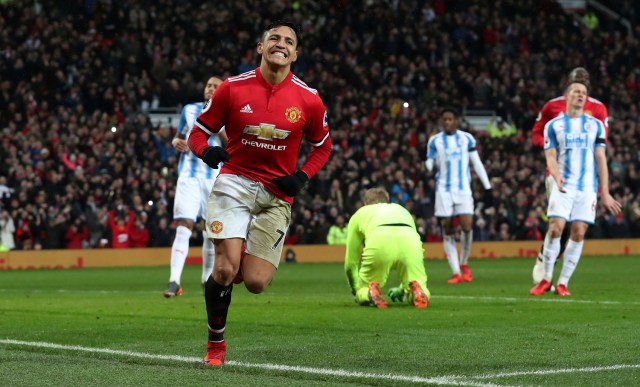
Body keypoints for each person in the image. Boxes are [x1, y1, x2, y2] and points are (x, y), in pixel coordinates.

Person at [188, 21, 331, 365]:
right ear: (261, 47)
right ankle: (216, 343)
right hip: (234, 184)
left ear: (295, 54)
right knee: (223, 270)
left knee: (255, 282)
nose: (281, 44)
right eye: (275, 39)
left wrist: (302, 176)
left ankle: (237, 263)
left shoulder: (309, 99)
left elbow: (323, 147)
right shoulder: (232, 89)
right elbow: (198, 133)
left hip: (277, 196)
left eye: (289, 42)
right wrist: (205, 151)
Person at [529, 81, 621, 296]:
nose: (580, 95)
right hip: (564, 186)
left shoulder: (595, 125)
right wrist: (556, 175)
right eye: (576, 92)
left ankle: (563, 283)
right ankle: (545, 279)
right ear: (567, 96)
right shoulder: (554, 125)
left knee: (578, 232)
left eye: (584, 93)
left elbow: (601, 159)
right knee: (555, 227)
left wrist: (605, 193)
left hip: (587, 188)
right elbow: (550, 156)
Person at [163, 76, 226, 298]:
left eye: (216, 87)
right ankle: (174, 281)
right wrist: (175, 143)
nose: (211, 89)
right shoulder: (189, 110)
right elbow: (179, 137)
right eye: (208, 85)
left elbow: (230, 144)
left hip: (214, 177)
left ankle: (205, 280)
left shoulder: (228, 113)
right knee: (184, 225)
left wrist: (218, 125)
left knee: (211, 230)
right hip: (188, 177)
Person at [425, 107, 491, 284]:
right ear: (441, 122)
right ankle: (455, 272)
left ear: (456, 121)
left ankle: (464, 263)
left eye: (450, 119)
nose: (447, 122)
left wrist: (487, 185)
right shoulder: (435, 141)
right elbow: (429, 161)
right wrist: (428, 166)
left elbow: (476, 162)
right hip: (443, 190)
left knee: (467, 226)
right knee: (447, 228)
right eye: (444, 119)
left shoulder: (466, 138)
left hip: (463, 189)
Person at [344, 187, 430, 309]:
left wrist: (356, 290)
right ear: (387, 200)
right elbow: (414, 238)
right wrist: (402, 290)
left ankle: (370, 292)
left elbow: (351, 262)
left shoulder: (360, 213)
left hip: (379, 241)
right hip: (410, 243)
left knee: (363, 290)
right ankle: (417, 291)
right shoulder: (402, 210)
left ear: (365, 203)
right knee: (420, 286)